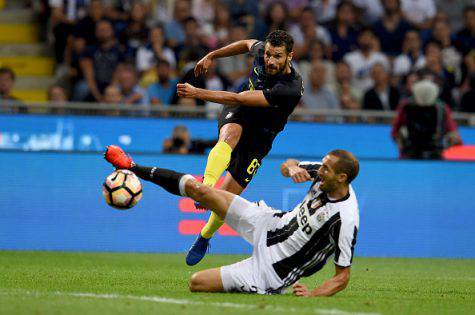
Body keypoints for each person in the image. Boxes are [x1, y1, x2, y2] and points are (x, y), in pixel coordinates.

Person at [104, 145, 360, 296]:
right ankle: (132, 166)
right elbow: (287, 165)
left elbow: (342, 276)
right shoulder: (322, 173)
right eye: (322, 165)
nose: (320, 170)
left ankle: (266, 288)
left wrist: (313, 296)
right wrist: (291, 168)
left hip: (271, 271)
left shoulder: (345, 218)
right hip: (270, 224)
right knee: (202, 191)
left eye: (326, 169)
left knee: (197, 283)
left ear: (342, 177)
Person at [176, 30, 304, 266]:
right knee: (230, 134)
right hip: (241, 114)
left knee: (227, 196)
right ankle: (206, 186)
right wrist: (212, 55)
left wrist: (196, 93)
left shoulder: (289, 88)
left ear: (290, 57)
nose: (270, 61)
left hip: (261, 135)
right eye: (268, 54)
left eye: (277, 56)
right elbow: (246, 43)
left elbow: (238, 98)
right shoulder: (261, 51)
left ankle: (205, 236)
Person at [391, 79, 462, 159]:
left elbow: (394, 133)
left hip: (412, 154)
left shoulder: (405, 106)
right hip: (432, 153)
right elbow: (456, 137)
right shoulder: (443, 108)